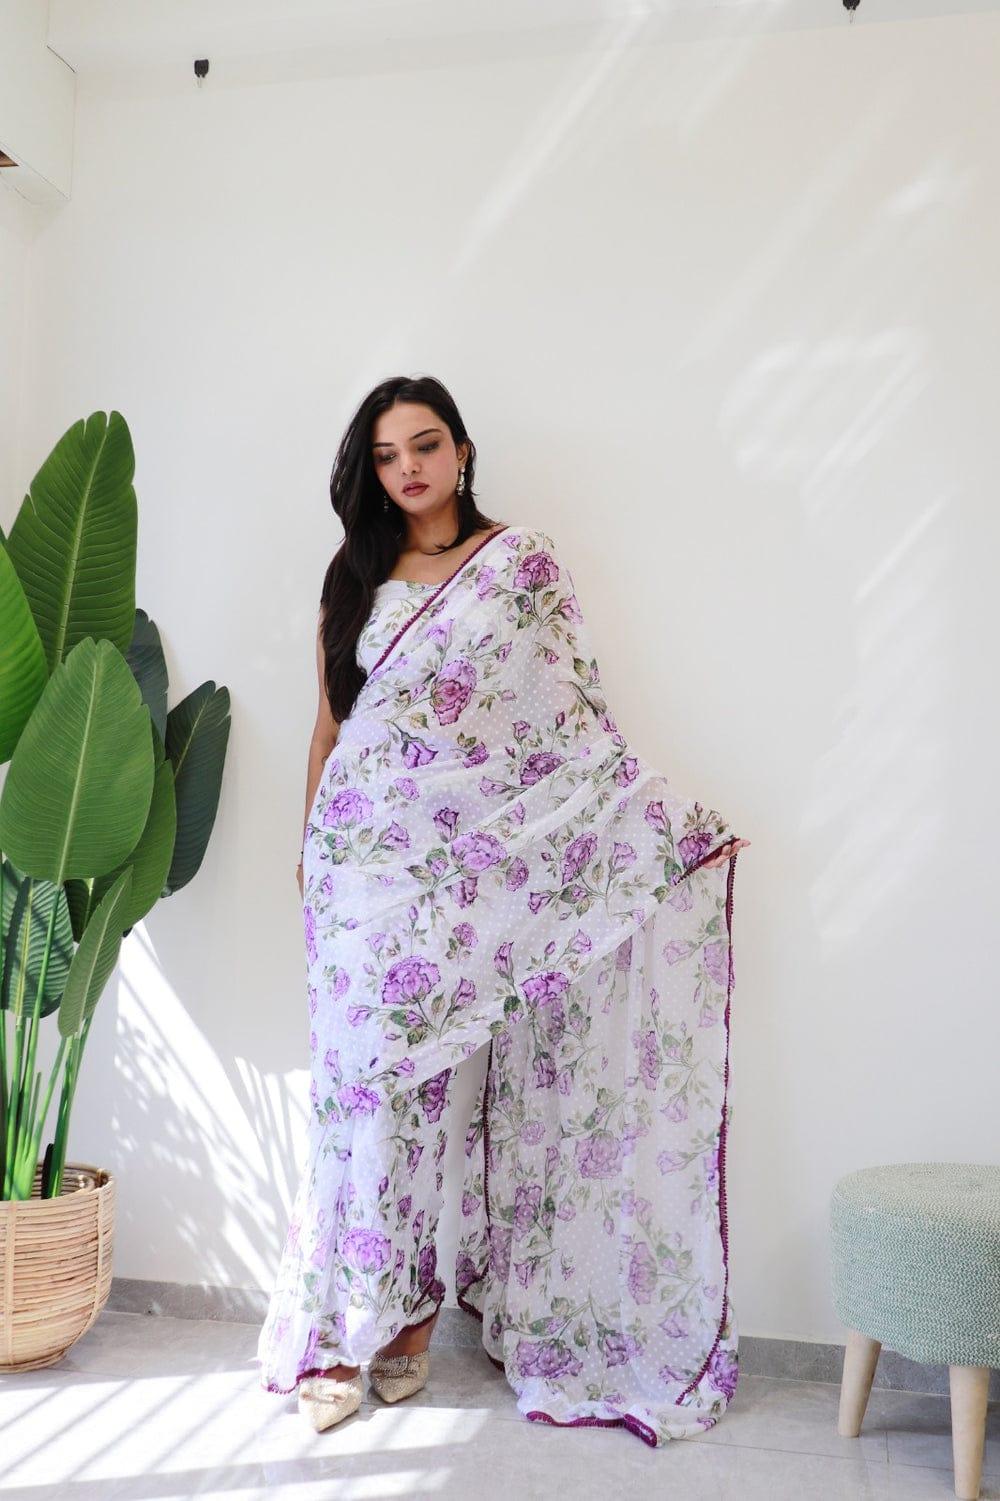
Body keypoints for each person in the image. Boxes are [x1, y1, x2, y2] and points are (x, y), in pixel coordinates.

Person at [255, 374, 749, 1443]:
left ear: (463, 451)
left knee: (426, 1090)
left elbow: (566, 730)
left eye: (425, 445)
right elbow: (330, 728)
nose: (408, 468)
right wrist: (307, 853)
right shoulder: (354, 574)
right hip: (358, 877)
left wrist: (654, 827)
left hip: (460, 879)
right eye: (386, 455)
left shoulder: (519, 566)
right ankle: (337, 1324)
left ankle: (410, 1314)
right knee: (355, 1097)